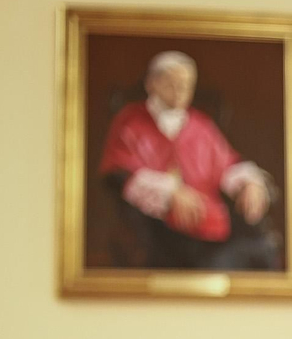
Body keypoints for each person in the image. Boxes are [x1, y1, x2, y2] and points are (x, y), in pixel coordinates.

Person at [98, 51, 280, 271]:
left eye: (186, 85)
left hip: (210, 226)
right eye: (172, 83)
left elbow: (227, 165)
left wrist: (250, 183)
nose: (180, 91)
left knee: (258, 252)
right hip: (156, 228)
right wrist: (171, 192)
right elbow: (118, 172)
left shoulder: (201, 125)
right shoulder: (129, 121)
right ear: (151, 84)